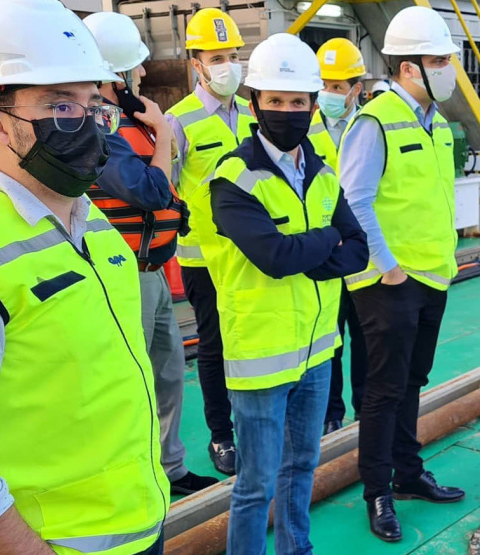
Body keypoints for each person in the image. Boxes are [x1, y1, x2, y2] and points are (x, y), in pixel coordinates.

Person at [0, 1, 169, 553]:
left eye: (92, 104)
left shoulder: (87, 215)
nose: (85, 124)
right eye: (60, 105)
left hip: (135, 525)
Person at [190, 33, 368, 554]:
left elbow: (355, 251)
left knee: (302, 469)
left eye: (297, 102)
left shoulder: (322, 172)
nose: (287, 111)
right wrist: (325, 241)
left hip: (316, 353)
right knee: (255, 485)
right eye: (275, 101)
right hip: (261, 360)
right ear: (254, 104)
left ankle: (298, 549)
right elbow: (275, 257)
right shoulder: (233, 180)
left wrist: (312, 248)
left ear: (313, 107)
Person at [339, 5, 465, 542]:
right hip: (389, 282)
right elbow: (354, 200)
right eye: (438, 60)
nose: (448, 70)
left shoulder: (434, 124)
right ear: (409, 67)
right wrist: (388, 268)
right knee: (384, 390)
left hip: (432, 276)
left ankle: (409, 474)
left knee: (413, 381)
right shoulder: (375, 120)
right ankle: (378, 492)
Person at [82, 10, 219, 496]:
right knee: (132, 382)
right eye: (136, 68)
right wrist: (163, 133)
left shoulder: (131, 121)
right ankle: (135, 476)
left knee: (166, 373)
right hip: (123, 277)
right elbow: (150, 190)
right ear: (115, 75)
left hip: (154, 269)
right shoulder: (95, 130)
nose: (143, 75)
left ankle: (170, 467)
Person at [166, 7, 255, 476]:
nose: (228, 65)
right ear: (195, 63)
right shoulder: (176, 122)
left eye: (233, 54)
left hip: (254, 256)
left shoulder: (252, 114)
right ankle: (222, 435)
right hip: (204, 259)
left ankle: (254, 426)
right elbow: (167, 189)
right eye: (216, 56)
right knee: (216, 347)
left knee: (254, 342)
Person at [310, 37, 369, 435]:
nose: (329, 94)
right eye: (324, 85)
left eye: (337, 86)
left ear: (356, 89)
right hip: (325, 251)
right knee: (329, 340)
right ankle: (331, 415)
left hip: (362, 251)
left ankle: (366, 409)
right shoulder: (303, 128)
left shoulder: (371, 125)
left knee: (366, 337)